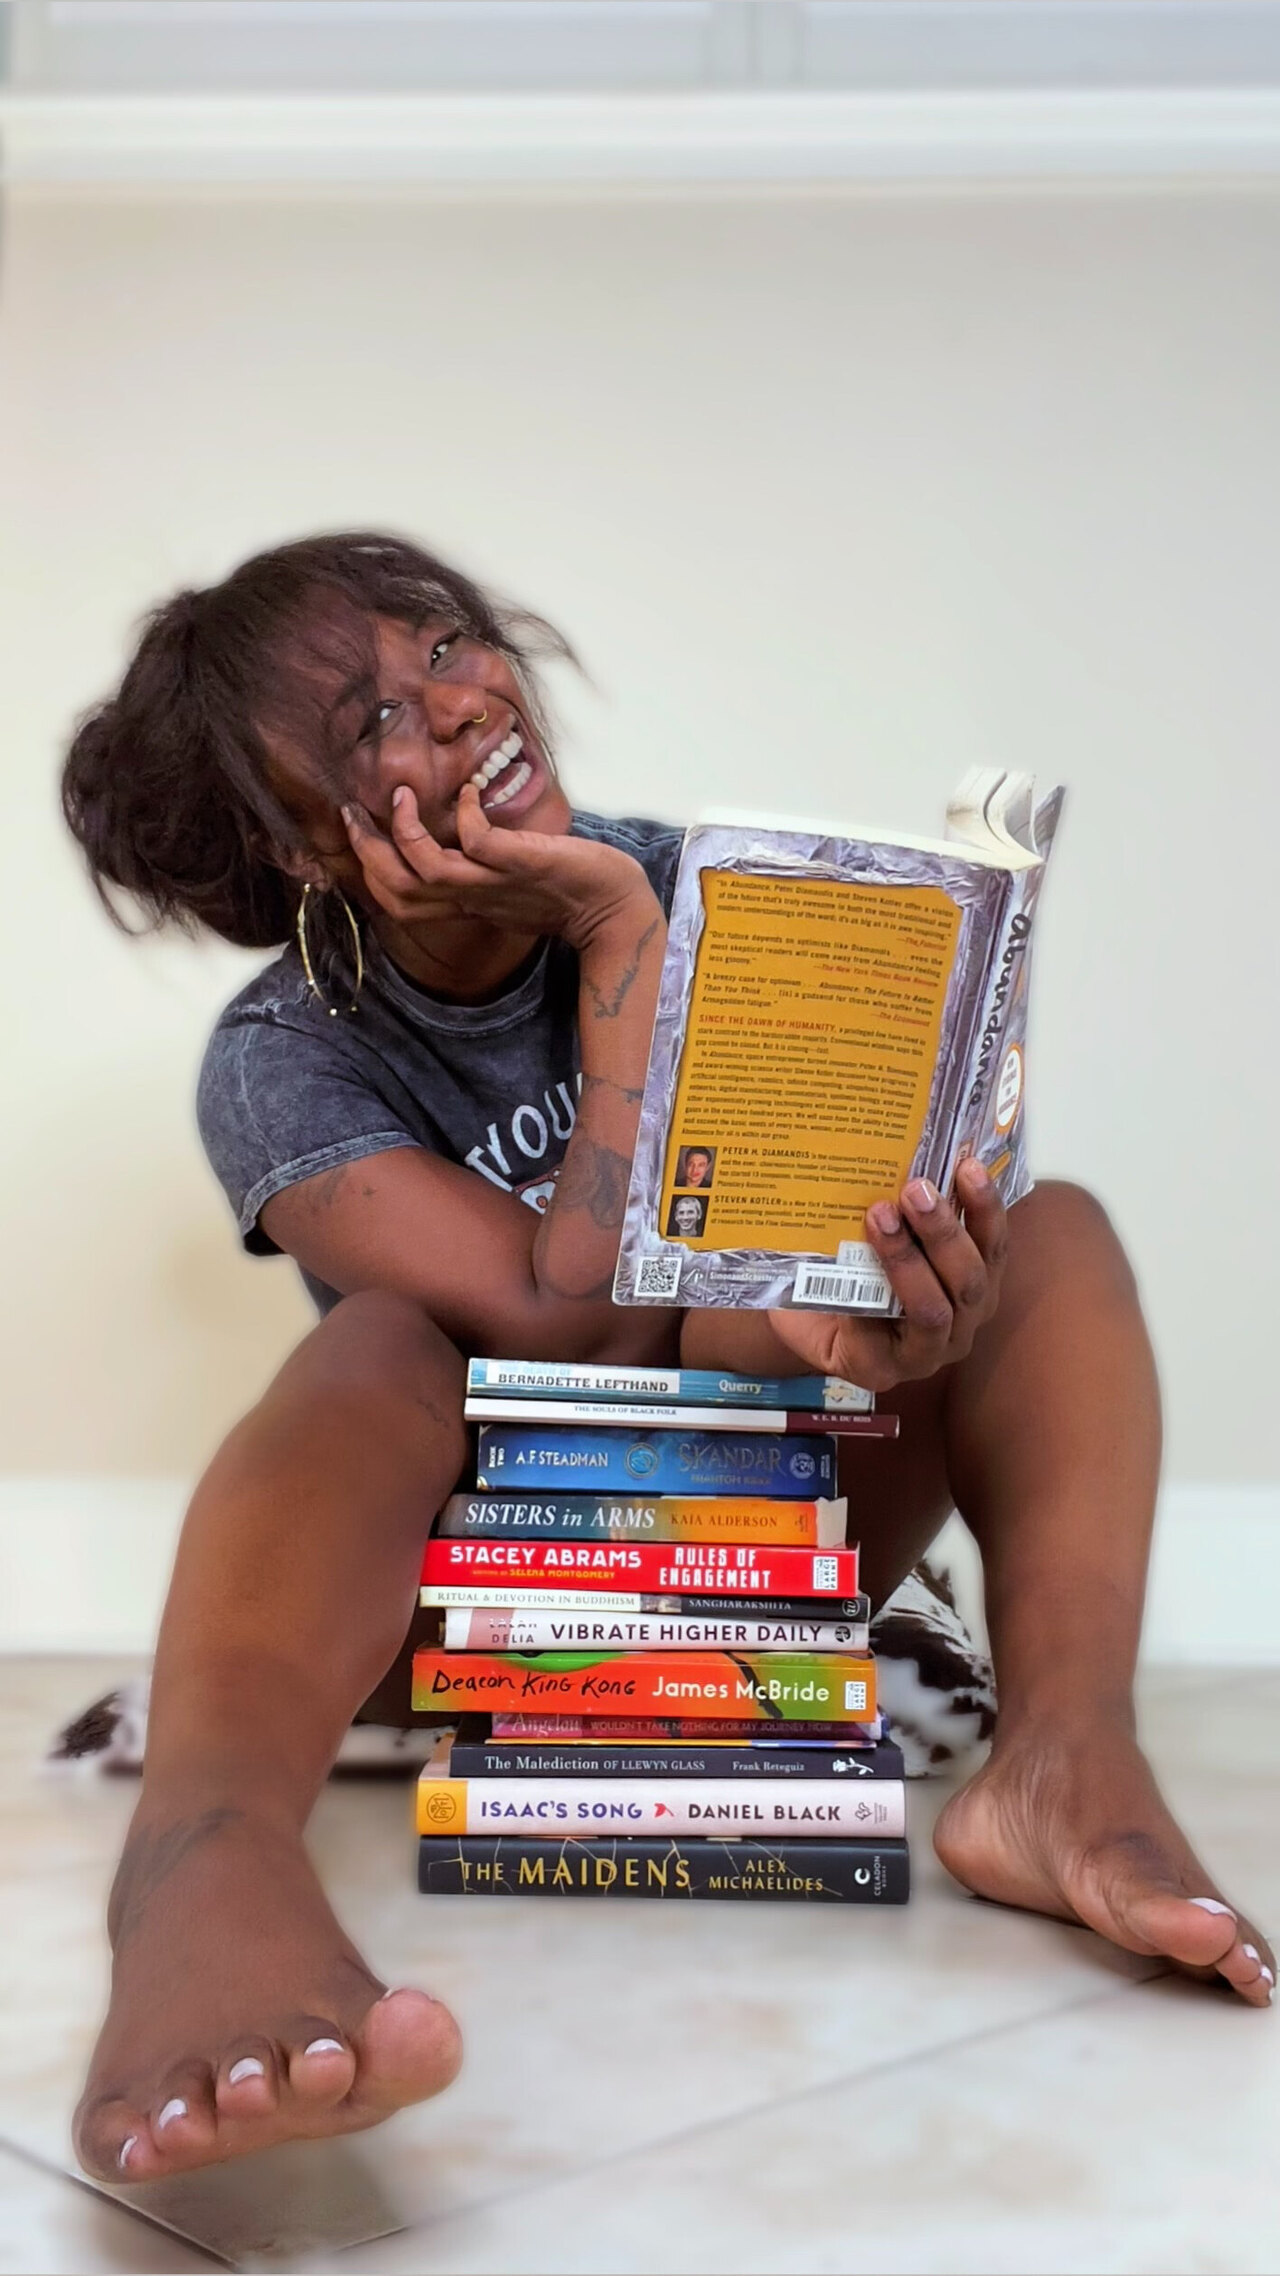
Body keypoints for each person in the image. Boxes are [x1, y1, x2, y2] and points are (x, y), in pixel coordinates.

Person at [59, 531, 1272, 2185]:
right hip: (484, 1619)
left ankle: (1065, 1760)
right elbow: (572, 1319)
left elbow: (727, 1328)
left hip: (764, 1553)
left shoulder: (725, 893)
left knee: (1050, 1235)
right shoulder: (284, 1057)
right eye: (374, 721)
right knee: (382, 1349)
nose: (459, 701)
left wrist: (880, 1312)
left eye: (445, 645)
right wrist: (618, 937)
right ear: (301, 845)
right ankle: (203, 1856)